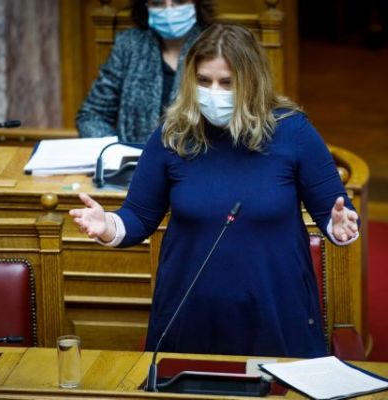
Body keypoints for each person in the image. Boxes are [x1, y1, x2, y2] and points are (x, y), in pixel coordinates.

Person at [69, 24, 360, 358]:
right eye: (203, 81)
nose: (213, 92)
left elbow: (334, 211)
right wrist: (108, 225)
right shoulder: (173, 134)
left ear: (252, 81)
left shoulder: (292, 131)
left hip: (277, 309)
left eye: (227, 83)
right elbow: (139, 216)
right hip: (190, 312)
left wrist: (339, 226)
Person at [76, 0, 215, 143]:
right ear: (146, 5)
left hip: (194, 155)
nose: (169, 10)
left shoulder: (214, 47)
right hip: (131, 155)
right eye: (158, 3)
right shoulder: (129, 44)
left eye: (179, 1)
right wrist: (117, 150)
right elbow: (91, 116)